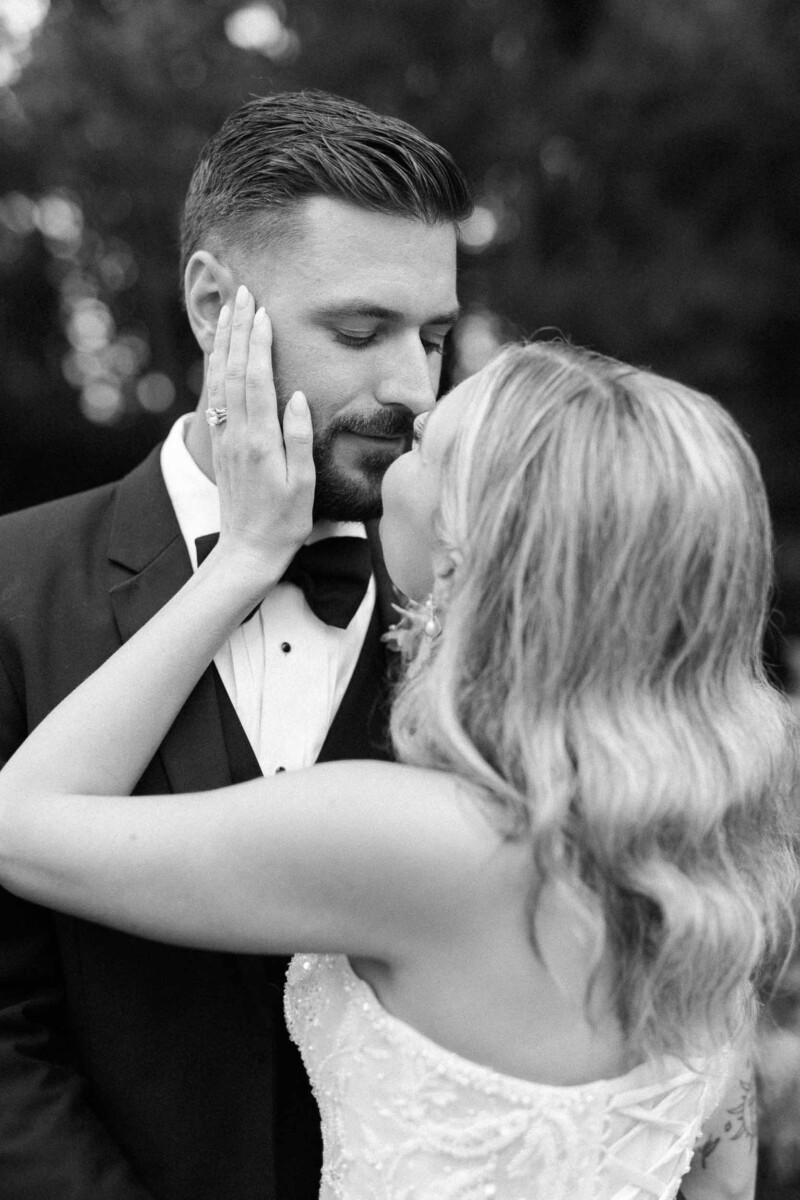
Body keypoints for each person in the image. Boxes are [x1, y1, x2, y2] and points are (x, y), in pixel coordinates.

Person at [0, 306, 796, 1200]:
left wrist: (244, 559)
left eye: (426, 445)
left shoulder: (413, 838)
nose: (403, 421)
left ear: (470, 550)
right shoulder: (711, 876)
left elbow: (19, 821)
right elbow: (721, 1186)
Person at [0, 92, 469, 1200]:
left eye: (435, 337)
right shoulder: (15, 588)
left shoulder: (482, 609)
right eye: (359, 333)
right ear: (216, 303)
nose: (411, 387)